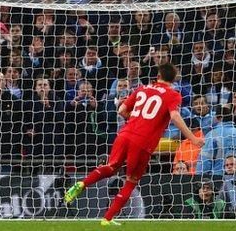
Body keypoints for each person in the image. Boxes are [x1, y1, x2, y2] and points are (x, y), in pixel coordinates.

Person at [63, 63, 204, 226]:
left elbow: (121, 110)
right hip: (143, 142)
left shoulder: (141, 89)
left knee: (111, 167)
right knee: (131, 180)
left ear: (158, 76)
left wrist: (136, 120)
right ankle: (107, 219)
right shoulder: (173, 95)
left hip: (124, 134)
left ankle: (81, 183)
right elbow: (175, 117)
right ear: (173, 79)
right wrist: (193, 139)